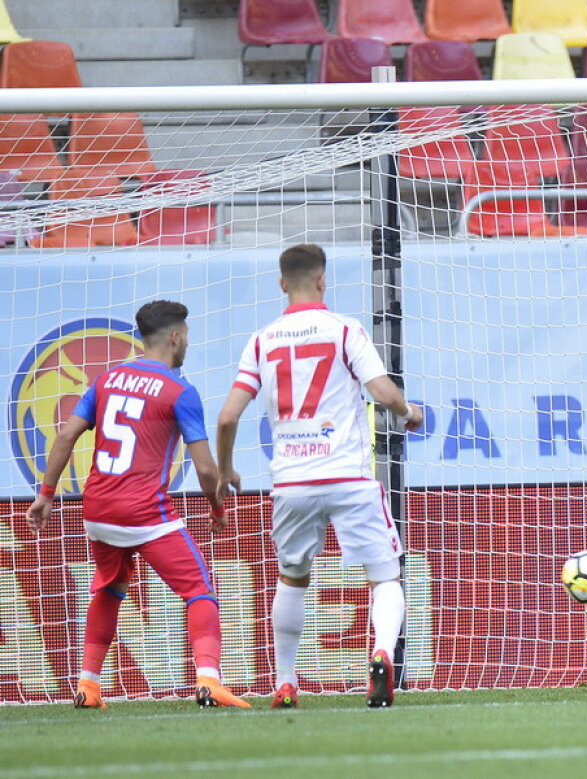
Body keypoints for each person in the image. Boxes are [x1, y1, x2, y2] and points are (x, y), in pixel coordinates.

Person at [215, 244, 424, 710]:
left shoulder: (261, 339)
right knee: (386, 575)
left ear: (282, 283)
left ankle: (286, 682)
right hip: (347, 475)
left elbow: (228, 417)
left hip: (291, 480)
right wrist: (408, 412)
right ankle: (382, 653)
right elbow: (380, 389)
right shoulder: (344, 329)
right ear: (324, 281)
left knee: (292, 578)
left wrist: (226, 467)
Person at [25, 300, 249, 710]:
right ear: (176, 337)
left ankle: (88, 686)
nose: (187, 346)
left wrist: (45, 494)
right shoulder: (180, 390)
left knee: (110, 586)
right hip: (144, 513)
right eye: (187, 338)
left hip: (96, 510)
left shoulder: (106, 380)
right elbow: (203, 468)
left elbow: (64, 436)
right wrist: (218, 509)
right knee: (199, 590)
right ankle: (209, 682)